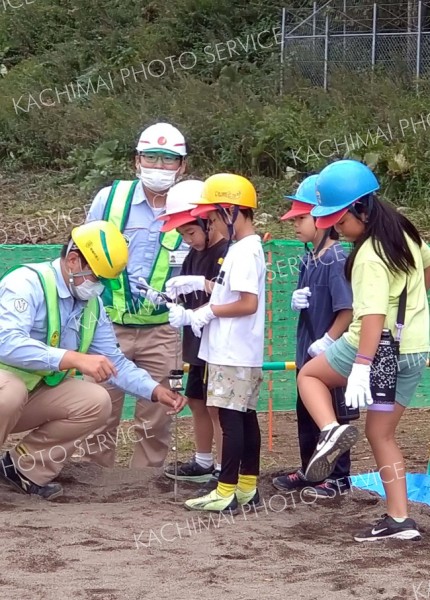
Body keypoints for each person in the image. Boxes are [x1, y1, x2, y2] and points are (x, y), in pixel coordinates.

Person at [0, 221, 185, 500]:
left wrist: (155, 390)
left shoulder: (91, 304)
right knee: (10, 391)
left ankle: (21, 469)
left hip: (28, 397)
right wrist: (71, 358)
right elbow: (4, 340)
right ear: (73, 260)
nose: (100, 287)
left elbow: (114, 363)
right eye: (98, 278)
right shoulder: (26, 283)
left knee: (95, 400)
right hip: (8, 393)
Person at [297, 159, 430, 541]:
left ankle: (329, 431)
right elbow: (426, 266)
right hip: (413, 351)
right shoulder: (404, 231)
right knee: (381, 434)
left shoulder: (368, 255)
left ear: (361, 209)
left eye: (340, 221)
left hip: (373, 348)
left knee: (309, 376)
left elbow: (371, 317)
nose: (337, 229)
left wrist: (360, 367)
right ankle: (400, 519)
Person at [84, 122, 189, 468]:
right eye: (151, 158)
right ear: (136, 161)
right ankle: (94, 479)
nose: (158, 167)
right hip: (107, 327)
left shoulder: (191, 207)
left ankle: (144, 487)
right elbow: (85, 252)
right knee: (99, 406)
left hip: (164, 329)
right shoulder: (109, 199)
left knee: (157, 414)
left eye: (168, 160)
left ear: (182, 166)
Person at [168, 173, 266, 513]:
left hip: (232, 349)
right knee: (244, 418)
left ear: (229, 211)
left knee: (231, 420)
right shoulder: (248, 249)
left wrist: (205, 313)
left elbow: (247, 303)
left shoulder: (242, 251)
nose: (210, 224)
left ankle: (226, 489)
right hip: (238, 349)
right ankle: (247, 487)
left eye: (211, 218)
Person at [272, 174, 353, 499]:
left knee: (333, 418)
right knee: (307, 416)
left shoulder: (336, 259)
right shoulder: (309, 258)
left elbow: (347, 310)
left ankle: (338, 479)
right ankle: (311, 471)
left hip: (329, 359)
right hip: (308, 355)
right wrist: (297, 298)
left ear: (322, 219)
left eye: (301, 218)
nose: (294, 225)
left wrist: (329, 339)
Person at [152, 179, 228, 491]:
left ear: (208, 221)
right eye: (182, 234)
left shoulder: (228, 252)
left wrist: (200, 284)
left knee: (217, 407)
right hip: (196, 342)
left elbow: (229, 293)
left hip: (219, 342)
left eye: (191, 232)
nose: (188, 239)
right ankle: (203, 460)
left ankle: (224, 468)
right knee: (197, 400)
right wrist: (167, 298)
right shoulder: (193, 253)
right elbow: (184, 291)